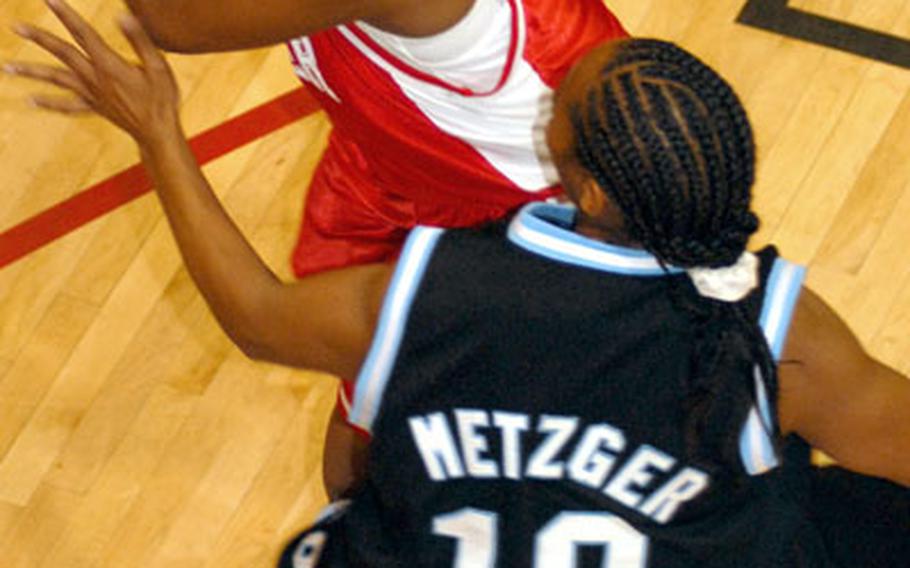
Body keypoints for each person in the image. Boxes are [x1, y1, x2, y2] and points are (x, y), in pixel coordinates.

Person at [9, 4, 909, 565]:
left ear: (577, 185)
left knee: (359, 487)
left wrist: (160, 130)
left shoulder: (434, 296)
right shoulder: (784, 339)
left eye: (557, 106)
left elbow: (255, 319)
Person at [116, 0, 630, 494]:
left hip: (525, 229)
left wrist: (158, 134)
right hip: (410, 170)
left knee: (359, 468)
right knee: (359, 465)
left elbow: (169, 17)